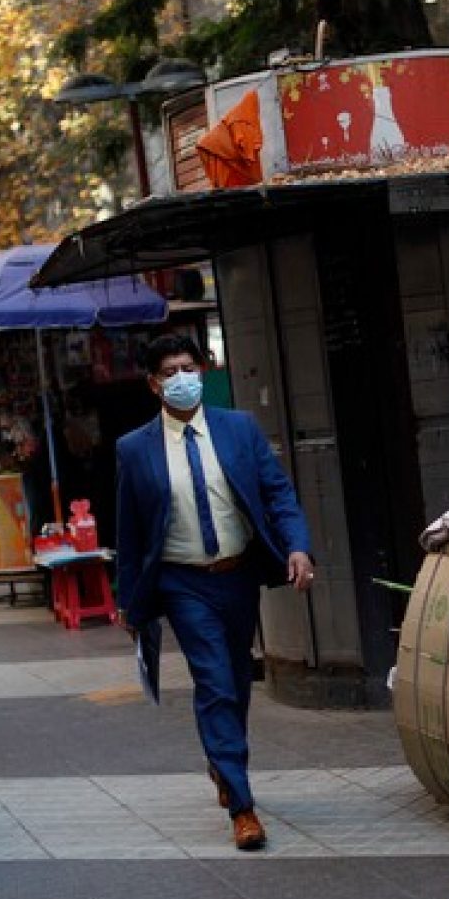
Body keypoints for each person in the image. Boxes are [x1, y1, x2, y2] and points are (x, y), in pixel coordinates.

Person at [115, 334, 314, 850]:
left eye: (189, 366)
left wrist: (297, 546)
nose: (183, 377)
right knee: (214, 682)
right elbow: (130, 531)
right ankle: (243, 808)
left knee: (236, 681)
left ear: (201, 370)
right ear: (154, 385)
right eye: (170, 371)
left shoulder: (238, 429)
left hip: (239, 574)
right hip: (182, 582)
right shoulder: (135, 449)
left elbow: (278, 492)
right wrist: (129, 601)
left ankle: (224, 764)